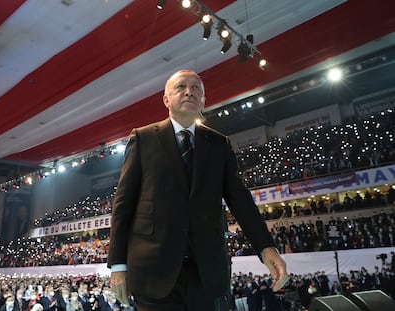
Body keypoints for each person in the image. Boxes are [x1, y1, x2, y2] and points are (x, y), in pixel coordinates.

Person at [108, 70, 288, 310]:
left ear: (203, 100)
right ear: (166, 99)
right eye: (181, 86)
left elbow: (241, 201)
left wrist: (266, 247)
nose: (189, 91)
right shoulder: (143, 139)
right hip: (153, 272)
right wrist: (118, 265)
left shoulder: (218, 144)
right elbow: (123, 206)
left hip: (206, 275)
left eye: (196, 88)